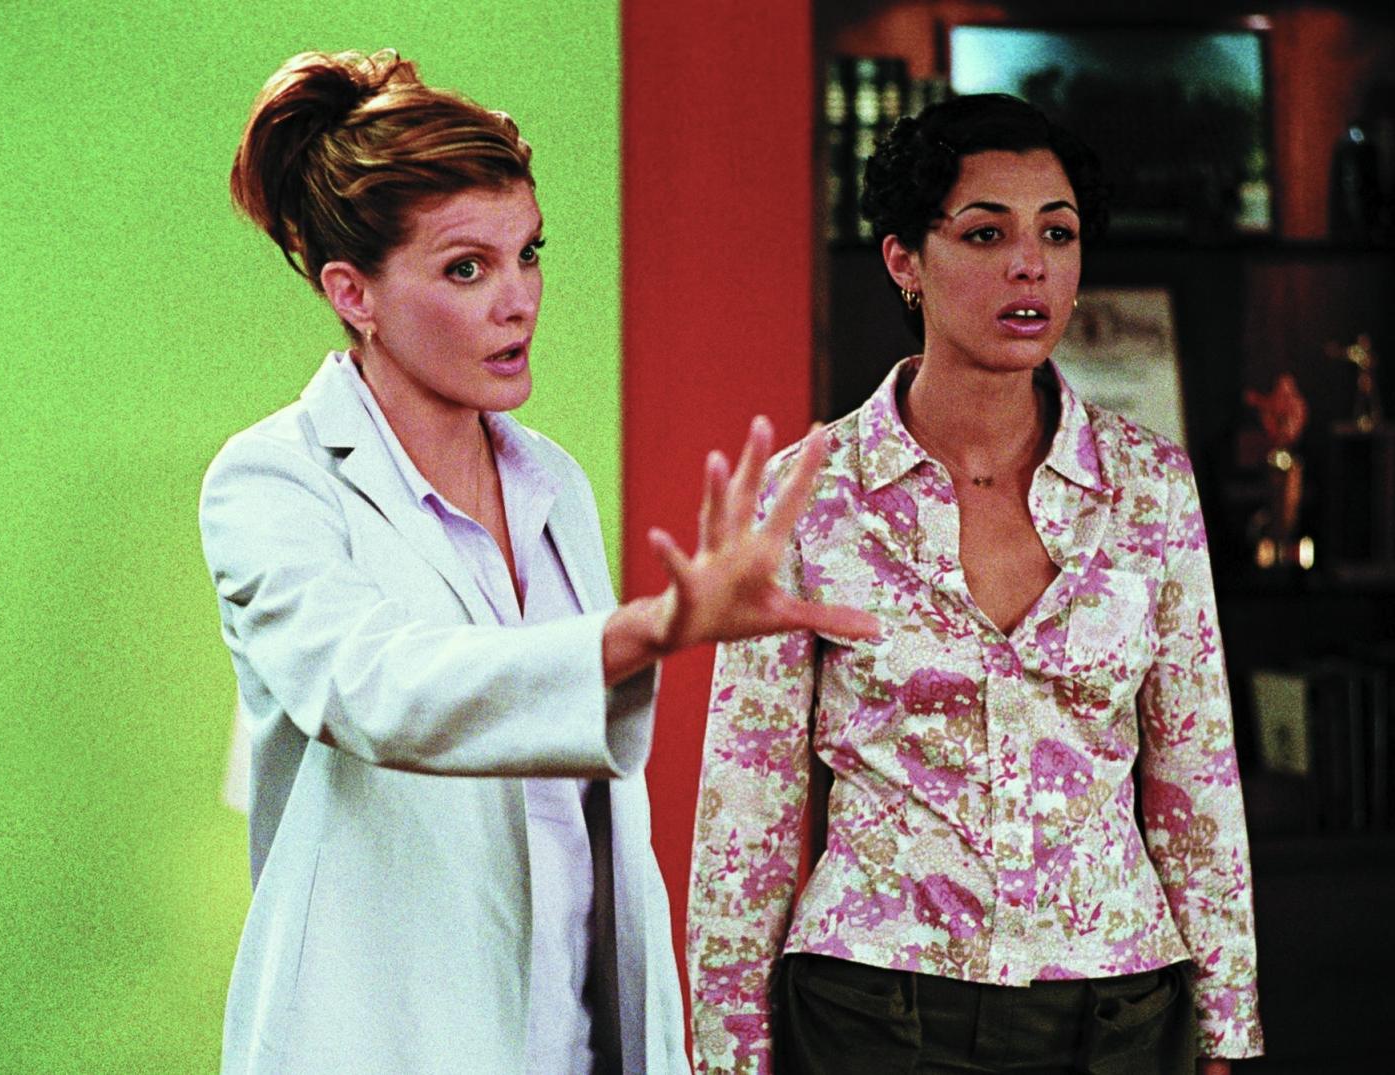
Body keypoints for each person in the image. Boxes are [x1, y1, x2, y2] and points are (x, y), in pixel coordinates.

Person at [201, 49, 877, 1075]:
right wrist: (647, 630)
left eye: (529, 253)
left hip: (575, 1033)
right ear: (354, 293)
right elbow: (376, 688)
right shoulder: (273, 481)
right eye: (467, 268)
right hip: (390, 1040)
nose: (518, 299)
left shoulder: (550, 479)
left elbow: (586, 815)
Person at [687, 94, 1262, 1074]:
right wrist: (725, 1049)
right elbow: (749, 799)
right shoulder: (808, 493)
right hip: (873, 1001)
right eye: (986, 233)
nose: (1029, 265)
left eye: (1057, 233)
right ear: (903, 260)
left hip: (1117, 1005)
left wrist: (1226, 1025)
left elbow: (1195, 773)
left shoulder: (1150, 485)